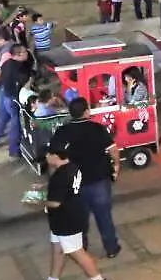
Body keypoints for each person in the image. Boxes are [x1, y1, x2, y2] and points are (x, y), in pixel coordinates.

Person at [30, 145, 111, 280]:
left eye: (46, 158)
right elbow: (65, 187)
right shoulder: (72, 167)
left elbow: (55, 202)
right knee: (57, 248)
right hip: (68, 217)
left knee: (76, 252)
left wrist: (35, 200)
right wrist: (46, 186)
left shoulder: (60, 175)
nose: (45, 162)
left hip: (67, 220)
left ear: (53, 155)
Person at [50, 98, 122, 259]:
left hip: (74, 184)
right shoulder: (97, 129)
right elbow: (113, 150)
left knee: (80, 219)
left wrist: (62, 167)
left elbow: (51, 157)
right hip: (99, 181)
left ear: (70, 113)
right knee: (104, 217)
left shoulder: (63, 132)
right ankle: (111, 248)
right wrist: (116, 167)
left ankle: (81, 249)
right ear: (87, 111)